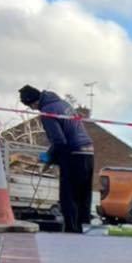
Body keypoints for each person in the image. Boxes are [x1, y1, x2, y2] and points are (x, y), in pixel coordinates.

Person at [18, 85, 95, 233]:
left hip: (73, 153)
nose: (34, 110)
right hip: (88, 151)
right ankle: (85, 231)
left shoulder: (47, 112)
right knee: (84, 196)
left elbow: (59, 141)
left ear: (33, 102)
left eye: (31, 107)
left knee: (68, 196)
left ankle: (72, 233)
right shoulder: (63, 104)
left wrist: (47, 158)